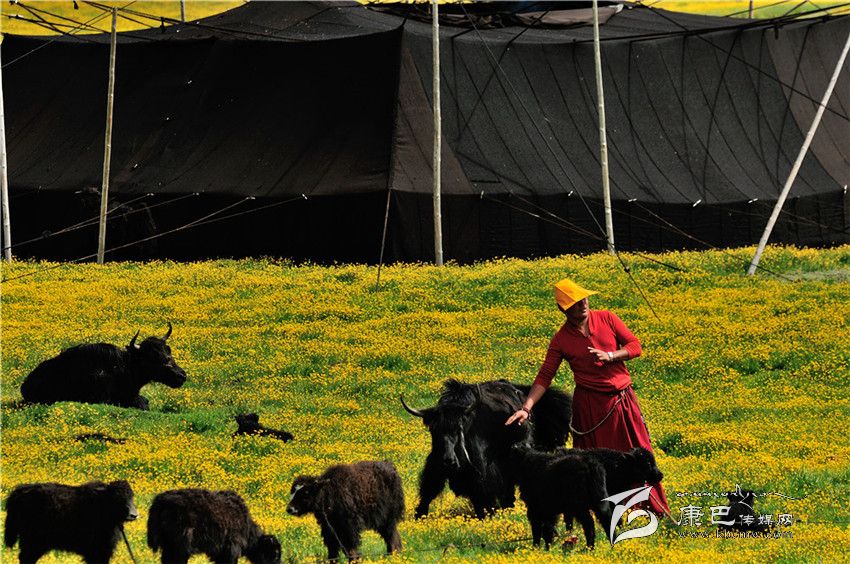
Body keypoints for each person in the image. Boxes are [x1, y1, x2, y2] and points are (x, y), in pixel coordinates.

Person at [505, 278, 670, 517]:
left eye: (584, 298)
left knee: (638, 454)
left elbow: (635, 346)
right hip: (590, 408)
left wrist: (612, 355)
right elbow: (544, 376)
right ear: (564, 309)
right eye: (575, 302)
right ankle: (601, 511)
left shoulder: (607, 317)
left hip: (622, 402)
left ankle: (650, 508)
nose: (583, 304)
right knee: (594, 462)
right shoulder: (561, 339)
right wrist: (526, 408)